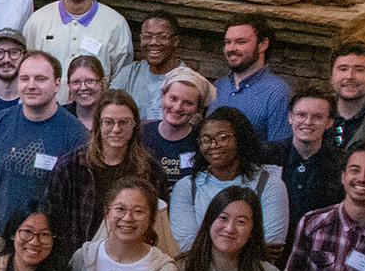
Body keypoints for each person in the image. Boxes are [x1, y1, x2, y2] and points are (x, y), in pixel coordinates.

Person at [0, 51, 88, 239]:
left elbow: (78, 204)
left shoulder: (76, 135)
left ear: (57, 85)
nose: (31, 86)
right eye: (25, 78)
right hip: (1, 240)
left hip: (47, 245)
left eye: (41, 79)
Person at [45, 88, 158, 249]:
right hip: (76, 262)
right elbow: (52, 221)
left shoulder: (150, 172)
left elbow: (155, 226)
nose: (116, 129)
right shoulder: (69, 167)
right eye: (109, 122)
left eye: (124, 122)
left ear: (134, 124)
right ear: (98, 124)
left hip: (129, 261)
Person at [167, 105, 289, 249]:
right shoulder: (186, 186)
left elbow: (271, 245)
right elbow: (186, 246)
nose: (214, 145)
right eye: (206, 140)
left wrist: (211, 249)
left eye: (222, 137)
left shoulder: (269, 185)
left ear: (241, 139)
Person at [22, 0, 131, 96]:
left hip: (95, 112)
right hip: (47, 109)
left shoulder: (115, 24)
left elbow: (122, 75)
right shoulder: (38, 20)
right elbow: (26, 66)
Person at [268, 83, 345, 222]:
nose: (308, 122)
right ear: (290, 117)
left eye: (318, 117)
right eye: (301, 115)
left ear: (329, 123)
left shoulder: (340, 164)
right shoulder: (268, 156)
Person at [209, 16, 292, 144]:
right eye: (228, 42)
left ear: (263, 44)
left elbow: (279, 150)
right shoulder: (219, 86)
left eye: (241, 42)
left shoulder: (277, 91)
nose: (231, 48)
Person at [115, 12, 207, 120]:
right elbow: (110, 108)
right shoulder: (129, 73)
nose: (154, 42)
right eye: (147, 37)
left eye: (162, 37)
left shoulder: (189, 82)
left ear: (176, 41)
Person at [141, 74, 205, 199]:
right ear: (163, 96)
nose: (178, 107)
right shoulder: (142, 134)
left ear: (198, 108)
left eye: (187, 103)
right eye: (173, 98)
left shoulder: (201, 140)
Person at [63, 54, 105, 129]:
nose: (83, 87)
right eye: (76, 82)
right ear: (69, 85)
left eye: (90, 81)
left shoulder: (115, 118)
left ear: (101, 82)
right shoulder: (59, 117)